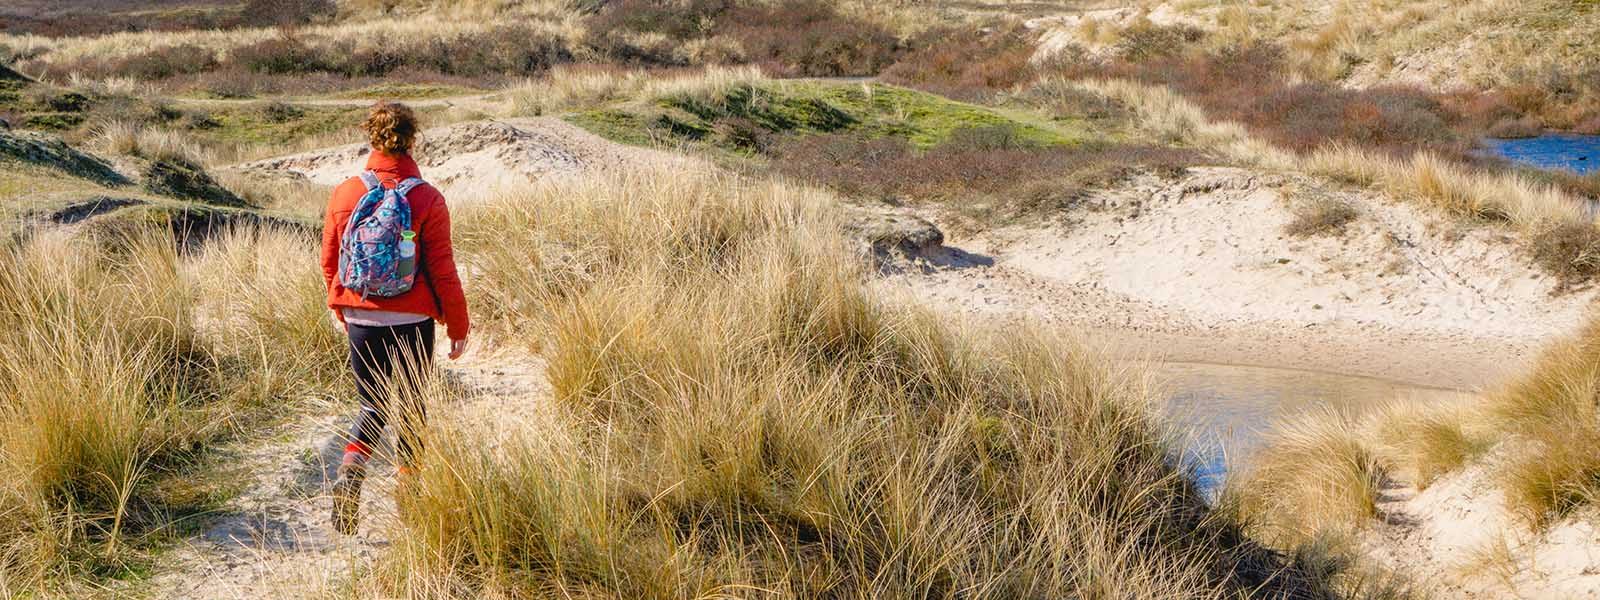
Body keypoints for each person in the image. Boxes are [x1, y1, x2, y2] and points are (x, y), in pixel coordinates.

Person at [320, 101, 470, 535]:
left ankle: (352, 468)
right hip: (412, 319)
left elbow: (330, 257)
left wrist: (340, 304)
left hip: (361, 313)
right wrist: (457, 325)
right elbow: (442, 268)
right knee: (412, 406)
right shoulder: (426, 197)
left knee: (372, 404)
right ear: (411, 140)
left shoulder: (346, 192)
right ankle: (409, 496)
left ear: (372, 137)